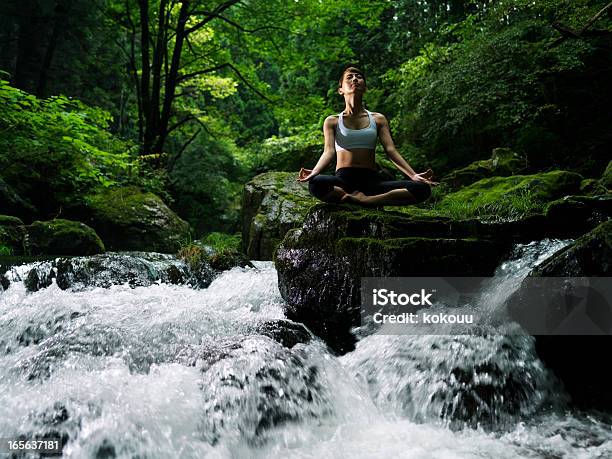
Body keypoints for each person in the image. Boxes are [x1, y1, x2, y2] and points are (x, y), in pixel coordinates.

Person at [297, 65, 438, 206]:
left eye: (359, 77)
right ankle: (353, 196)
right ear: (340, 90)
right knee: (315, 183)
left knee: (422, 189)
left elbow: (391, 151)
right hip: (344, 179)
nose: (355, 79)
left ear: (364, 87)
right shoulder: (332, 121)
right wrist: (314, 171)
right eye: (349, 77)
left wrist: (413, 175)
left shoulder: (378, 119)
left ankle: (365, 200)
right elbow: (328, 152)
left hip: (372, 181)